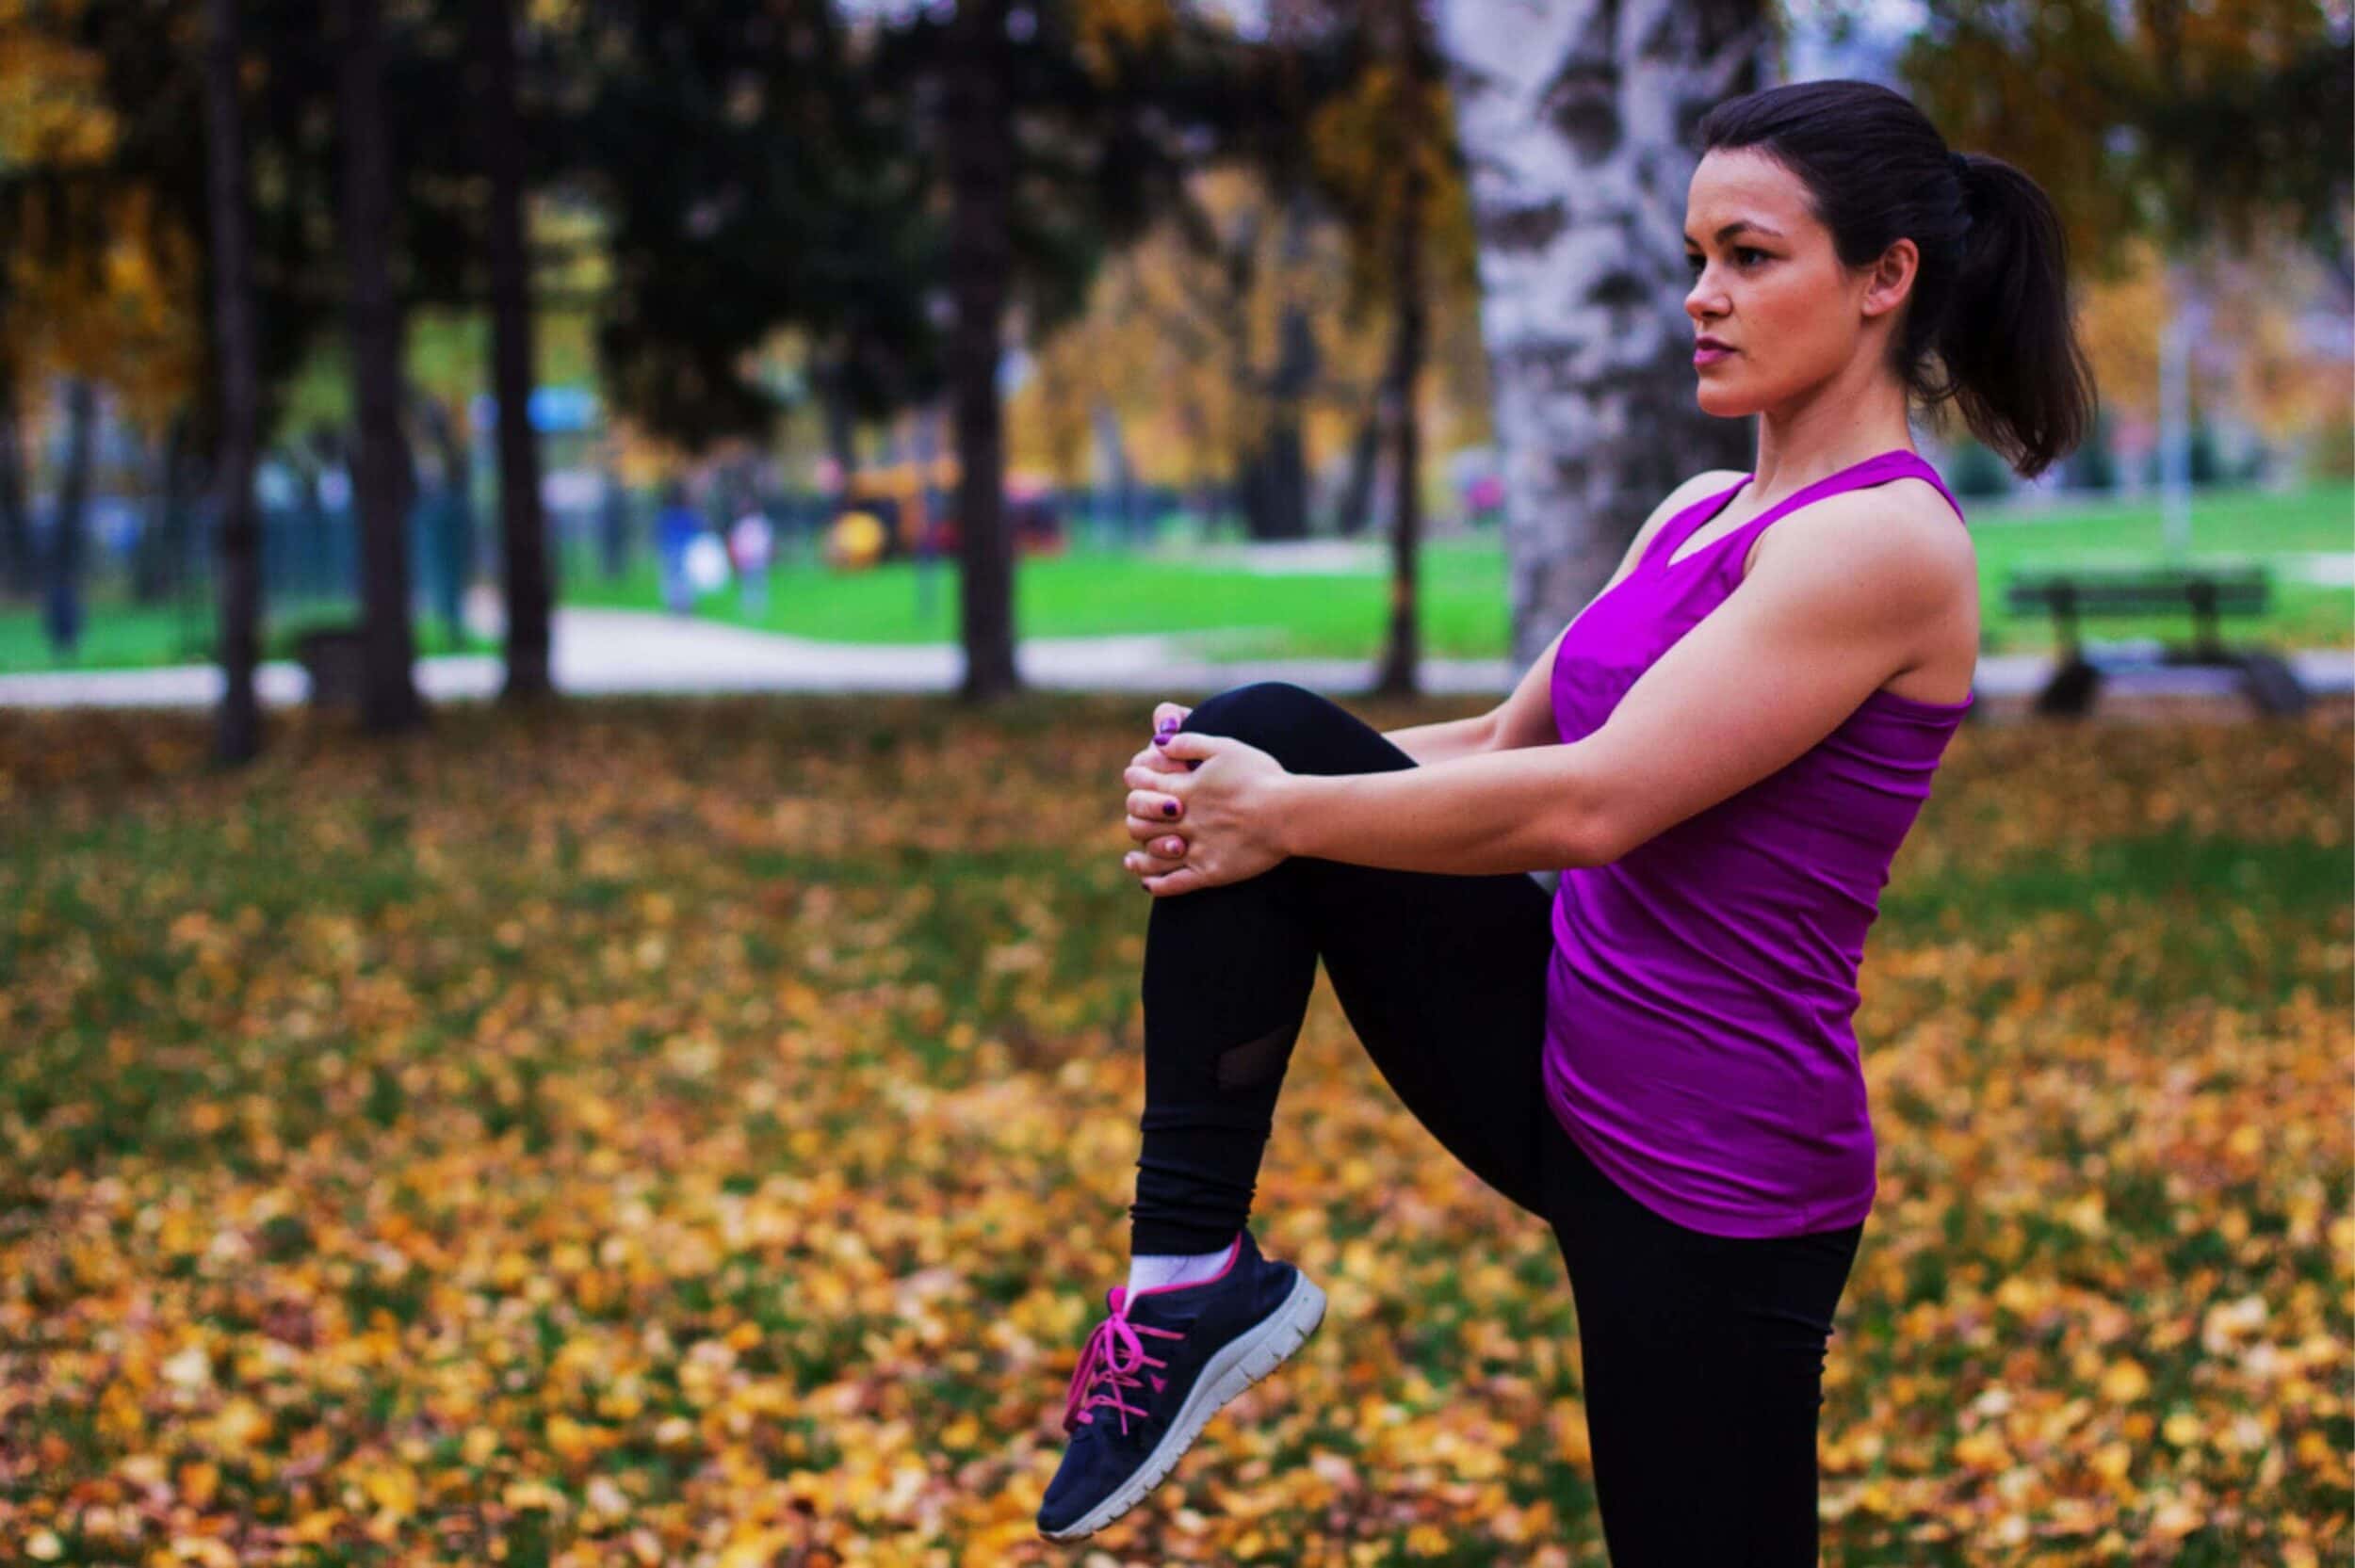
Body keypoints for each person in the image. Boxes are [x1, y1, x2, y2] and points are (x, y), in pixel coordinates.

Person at [1034, 77, 2095, 1560]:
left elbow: (1595, 804)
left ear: (1884, 278)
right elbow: (1493, 740)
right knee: (1258, 726)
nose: (1702, 298)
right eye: (1692, 259)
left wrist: (1284, 811)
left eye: (1748, 255)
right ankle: (1187, 1277)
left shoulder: (1886, 545)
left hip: (1713, 1162)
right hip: (1557, 1043)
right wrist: (1226, 783)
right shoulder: (1694, 512)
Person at [655, 479, 701, 616]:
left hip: (670, 548)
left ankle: (673, 604)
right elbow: (696, 530)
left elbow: (659, 531)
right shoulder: (688, 514)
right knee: (685, 578)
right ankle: (686, 604)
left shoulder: (666, 514)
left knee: (671, 577)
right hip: (685, 548)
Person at [728, 504, 775, 620]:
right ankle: (754, 608)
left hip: (751, 557)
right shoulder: (758, 524)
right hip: (754, 557)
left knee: (753, 583)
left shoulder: (750, 524)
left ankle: (753, 608)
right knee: (754, 583)